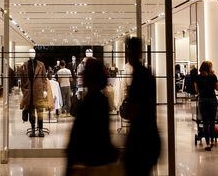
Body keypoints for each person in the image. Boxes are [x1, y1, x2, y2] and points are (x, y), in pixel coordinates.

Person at [66, 57, 119, 175]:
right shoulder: (100, 101)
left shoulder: (90, 102)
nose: (82, 75)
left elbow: (80, 137)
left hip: (90, 161)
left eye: (86, 73)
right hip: (97, 159)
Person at [124, 37, 160, 176]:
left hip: (143, 139)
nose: (128, 55)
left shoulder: (142, 76)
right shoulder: (142, 74)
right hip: (144, 137)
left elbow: (140, 109)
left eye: (130, 51)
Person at [194, 61, 218, 151]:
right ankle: (212, 140)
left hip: (203, 101)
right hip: (212, 100)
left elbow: (196, 90)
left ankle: (207, 144)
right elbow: (217, 88)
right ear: (209, 68)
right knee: (212, 122)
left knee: (205, 122)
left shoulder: (197, 77)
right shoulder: (213, 76)